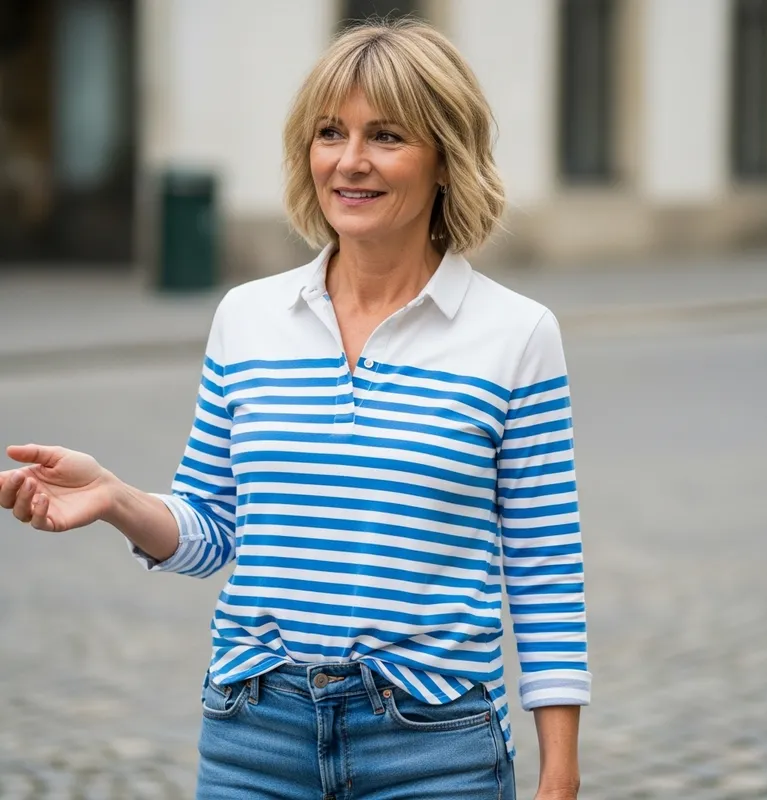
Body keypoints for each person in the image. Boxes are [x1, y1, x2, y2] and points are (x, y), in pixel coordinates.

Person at [0, 19, 590, 800]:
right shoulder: (247, 318)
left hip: (434, 747)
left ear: (446, 157)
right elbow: (213, 529)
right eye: (328, 133)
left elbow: (545, 569)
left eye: (386, 136)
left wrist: (559, 772)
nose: (349, 161)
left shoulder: (517, 336)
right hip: (255, 736)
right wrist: (115, 497)